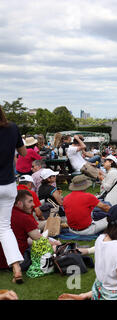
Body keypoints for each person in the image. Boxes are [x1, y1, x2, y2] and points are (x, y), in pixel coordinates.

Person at [0, 190, 61, 271]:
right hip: (19, 261)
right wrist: (55, 244)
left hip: (4, 260)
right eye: (30, 201)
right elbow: (40, 240)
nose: (33, 204)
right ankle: (78, 251)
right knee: (54, 247)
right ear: (19, 203)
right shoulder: (24, 217)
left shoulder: (5, 213)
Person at [0, 106, 27, 284]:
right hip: (8, 185)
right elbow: (23, 152)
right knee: (4, 228)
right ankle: (16, 267)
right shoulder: (12, 128)